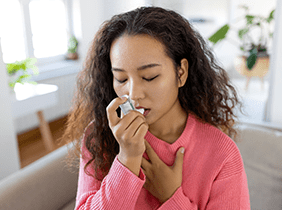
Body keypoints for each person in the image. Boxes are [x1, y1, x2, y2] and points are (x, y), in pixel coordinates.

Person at [62, 6, 250, 210]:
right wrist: (127, 159)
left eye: (149, 77)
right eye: (121, 78)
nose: (133, 94)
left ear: (181, 73)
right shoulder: (99, 134)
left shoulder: (221, 154)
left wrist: (171, 197)